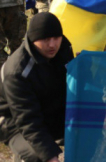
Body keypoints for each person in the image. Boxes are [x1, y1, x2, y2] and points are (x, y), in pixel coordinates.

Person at [0, 13, 74, 162]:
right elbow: (28, 120)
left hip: (47, 110)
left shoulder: (64, 51)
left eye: (56, 38)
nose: (52, 45)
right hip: (12, 120)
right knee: (36, 155)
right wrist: (50, 156)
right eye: (46, 39)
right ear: (33, 40)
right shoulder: (17, 71)